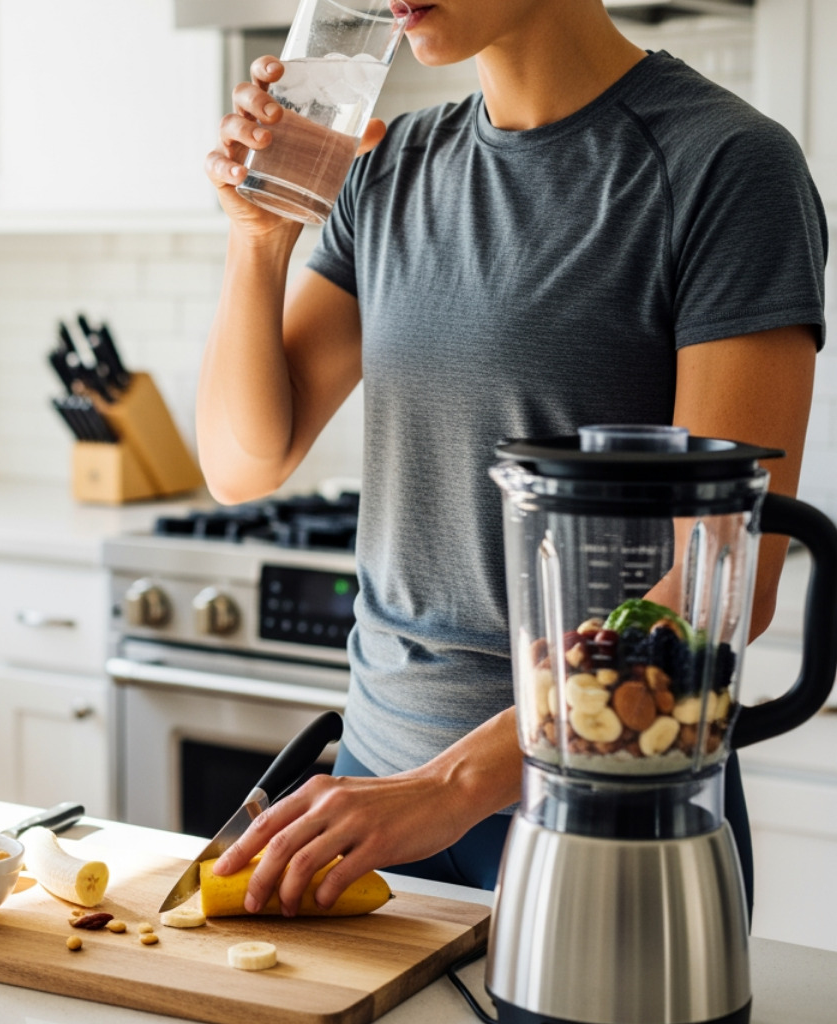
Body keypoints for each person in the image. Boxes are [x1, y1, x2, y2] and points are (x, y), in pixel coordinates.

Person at [199, 0, 826, 917]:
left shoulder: (725, 166)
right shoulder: (390, 166)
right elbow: (244, 462)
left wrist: (452, 788)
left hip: (601, 807)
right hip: (373, 796)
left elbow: (724, 585)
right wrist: (259, 240)